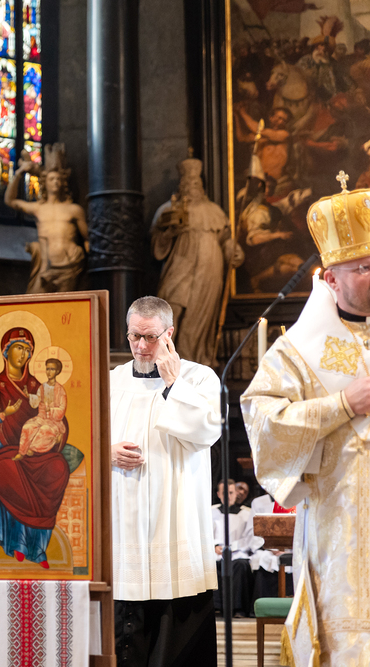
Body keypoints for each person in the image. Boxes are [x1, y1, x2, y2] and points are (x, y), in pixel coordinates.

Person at [241, 182, 370, 664]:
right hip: (340, 526)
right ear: (331, 278)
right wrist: (343, 404)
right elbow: (264, 419)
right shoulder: (298, 351)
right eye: (363, 268)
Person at [111, 296, 221, 667]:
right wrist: (105, 452)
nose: (141, 346)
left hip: (174, 522)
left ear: (169, 333)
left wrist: (174, 382)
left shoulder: (199, 377)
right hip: (122, 526)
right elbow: (78, 439)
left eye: (151, 337)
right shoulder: (109, 382)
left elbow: (207, 431)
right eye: (134, 336)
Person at [0, 329, 71, 567]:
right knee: (9, 469)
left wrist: (56, 431)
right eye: (19, 348)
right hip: (5, 450)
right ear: (6, 352)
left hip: (38, 449)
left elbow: (54, 415)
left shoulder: (36, 385)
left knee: (59, 467)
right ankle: (18, 543)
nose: (23, 354)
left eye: (27, 350)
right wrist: (2, 415)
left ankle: (38, 548)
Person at [151, 156, 241, 366]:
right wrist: (169, 233)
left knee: (200, 317)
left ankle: (193, 362)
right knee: (170, 307)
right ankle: (164, 359)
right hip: (180, 264)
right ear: (181, 185)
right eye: (188, 182)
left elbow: (225, 239)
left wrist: (233, 251)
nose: (192, 186)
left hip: (208, 270)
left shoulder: (214, 211)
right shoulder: (168, 210)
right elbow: (156, 242)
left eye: (196, 183)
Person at [4, 144, 89, 294]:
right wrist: (19, 173)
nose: (55, 182)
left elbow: (87, 238)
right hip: (46, 266)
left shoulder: (74, 210)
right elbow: (10, 201)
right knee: (35, 302)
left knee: (67, 306)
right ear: (45, 182)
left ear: (63, 182)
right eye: (51, 179)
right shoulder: (39, 208)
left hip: (70, 265)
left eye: (58, 179)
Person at [211, 479, 256, 618]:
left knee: (240, 566)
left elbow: (249, 537)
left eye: (231, 493)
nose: (228, 496)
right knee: (212, 566)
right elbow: (205, 534)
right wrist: (214, 546)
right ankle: (216, 607)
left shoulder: (246, 514)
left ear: (236, 493)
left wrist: (233, 547)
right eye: (224, 493)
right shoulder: (211, 512)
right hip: (216, 553)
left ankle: (238, 608)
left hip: (238, 552)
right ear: (218, 494)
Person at [14, 358, 67, 459]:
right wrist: (28, 396)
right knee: (28, 427)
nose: (49, 372)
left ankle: (31, 449)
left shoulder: (61, 390)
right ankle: (21, 452)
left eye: (52, 369)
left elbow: (62, 409)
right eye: (47, 369)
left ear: (57, 371)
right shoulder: (42, 387)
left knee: (44, 430)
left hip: (54, 422)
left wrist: (51, 410)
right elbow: (37, 400)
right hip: (41, 418)